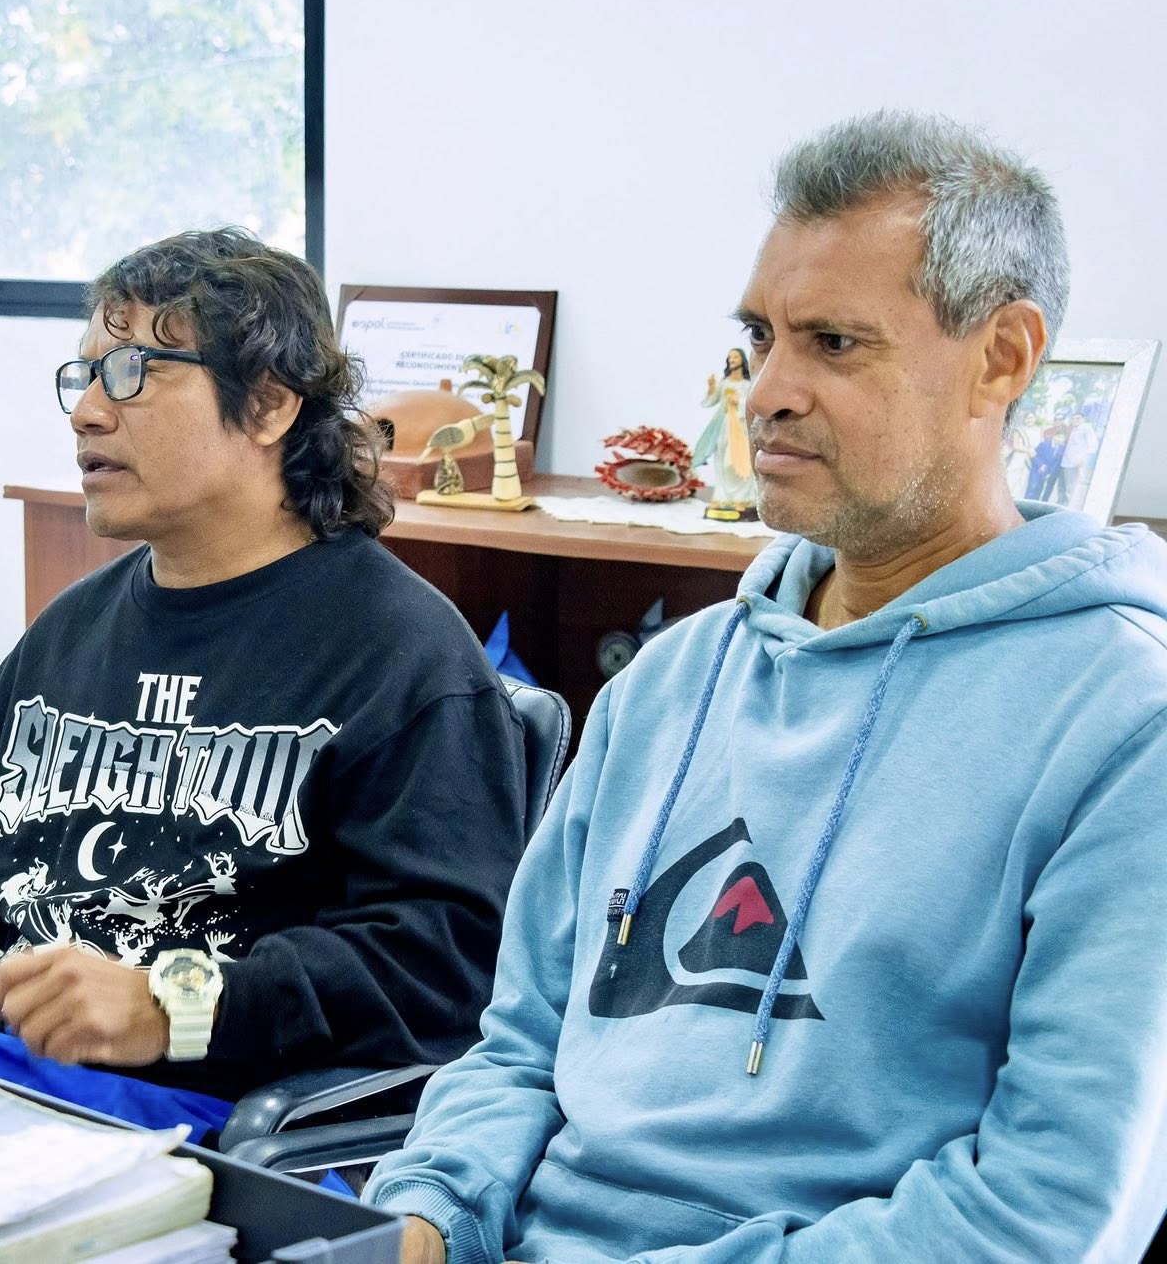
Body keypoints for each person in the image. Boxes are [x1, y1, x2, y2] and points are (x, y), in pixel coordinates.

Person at [368, 111, 1167, 1262]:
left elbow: (1043, 1214)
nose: (765, 391)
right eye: (758, 335)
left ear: (999, 357)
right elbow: (518, 1047)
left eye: (833, 343)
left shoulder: (1124, 722)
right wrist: (424, 1216)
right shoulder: (667, 682)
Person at [0, 228, 525, 1137]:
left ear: (270, 405)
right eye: (84, 376)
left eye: (131, 372)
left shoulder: (401, 655)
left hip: (223, 1120)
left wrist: (176, 1005)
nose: (87, 412)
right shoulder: (73, 630)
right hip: (7, 1080)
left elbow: (443, 965)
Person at [693, 347, 758, 519]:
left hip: (741, 427)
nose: (732, 360)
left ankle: (744, 499)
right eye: (730, 358)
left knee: (742, 459)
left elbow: (752, 404)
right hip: (725, 428)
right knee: (723, 459)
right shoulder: (724, 383)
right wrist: (711, 389)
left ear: (742, 360)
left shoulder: (748, 384)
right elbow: (710, 402)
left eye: (735, 357)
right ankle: (723, 497)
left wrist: (738, 402)